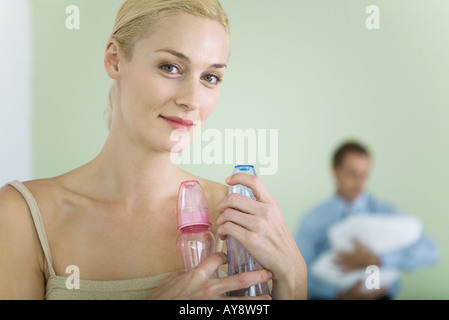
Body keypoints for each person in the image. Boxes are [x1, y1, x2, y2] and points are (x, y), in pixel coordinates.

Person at [0, 0, 307, 300]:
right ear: (115, 59)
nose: (192, 100)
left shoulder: (237, 219)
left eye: (210, 77)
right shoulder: (22, 216)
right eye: (170, 67)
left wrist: (294, 279)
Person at [295, 141, 439, 300]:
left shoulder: (385, 213)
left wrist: (379, 260)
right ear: (335, 170)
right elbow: (297, 273)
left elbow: (430, 251)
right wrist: (340, 295)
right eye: (352, 174)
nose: (359, 183)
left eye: (364, 175)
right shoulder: (313, 219)